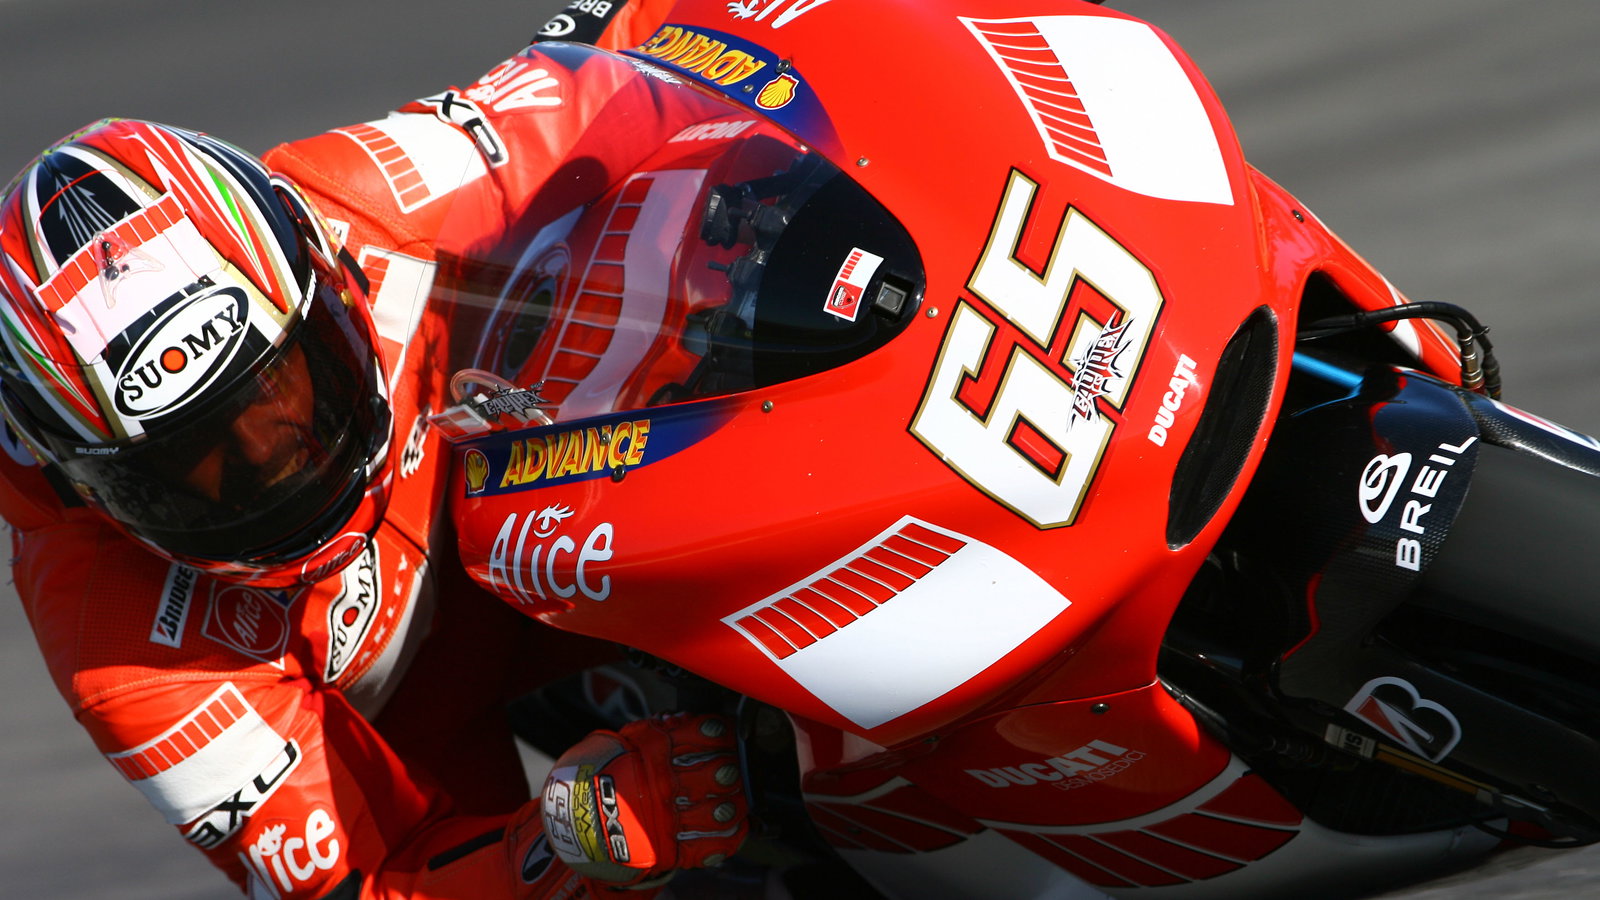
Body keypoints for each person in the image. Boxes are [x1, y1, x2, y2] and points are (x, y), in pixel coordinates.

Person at [0, 1, 750, 897]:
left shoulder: (372, 194)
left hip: (597, 489)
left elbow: (639, 67)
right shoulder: (128, 653)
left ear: (327, 275)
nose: (272, 458)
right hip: (415, 732)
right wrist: (563, 846)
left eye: (283, 386)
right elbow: (366, 884)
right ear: (86, 485)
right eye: (191, 463)